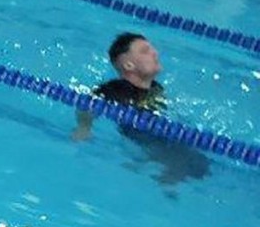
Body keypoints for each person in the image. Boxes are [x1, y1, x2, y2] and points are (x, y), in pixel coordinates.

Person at [72, 32, 210, 184]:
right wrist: (84, 127)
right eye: (145, 51)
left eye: (152, 49)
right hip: (140, 134)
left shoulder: (157, 88)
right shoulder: (116, 89)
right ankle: (162, 185)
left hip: (159, 133)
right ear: (128, 65)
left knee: (200, 166)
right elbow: (87, 104)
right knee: (185, 163)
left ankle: (157, 176)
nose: (155, 53)